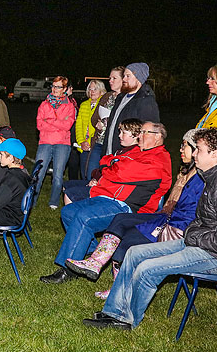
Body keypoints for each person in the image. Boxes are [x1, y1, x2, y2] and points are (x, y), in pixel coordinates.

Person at [83, 127, 217, 331]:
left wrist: (192, 235)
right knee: (134, 253)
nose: (194, 153)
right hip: (198, 243)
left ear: (216, 154)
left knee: (148, 269)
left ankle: (126, 320)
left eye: (199, 149)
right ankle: (114, 311)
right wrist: (193, 234)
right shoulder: (209, 177)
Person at [66, 129, 205, 299]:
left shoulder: (198, 177)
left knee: (127, 239)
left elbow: (189, 213)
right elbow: (114, 166)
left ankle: (117, 289)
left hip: (175, 226)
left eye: (185, 146)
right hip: (164, 216)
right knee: (119, 220)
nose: (181, 150)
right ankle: (96, 262)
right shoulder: (185, 172)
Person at [40, 121, 172, 284]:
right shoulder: (139, 152)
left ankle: (67, 270)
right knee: (68, 212)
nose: (140, 136)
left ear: (158, 136)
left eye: (145, 132)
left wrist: (112, 168)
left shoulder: (159, 159)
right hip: (108, 197)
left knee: (85, 217)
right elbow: (110, 161)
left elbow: (121, 172)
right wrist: (112, 166)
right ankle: (95, 251)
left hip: (128, 207)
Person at [62, 118, 143, 206]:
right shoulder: (121, 151)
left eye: (124, 133)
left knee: (70, 194)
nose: (119, 136)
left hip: (109, 190)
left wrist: (99, 181)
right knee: (67, 185)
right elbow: (104, 166)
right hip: (101, 182)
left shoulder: (134, 154)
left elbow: (115, 174)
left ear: (136, 135)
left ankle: (76, 216)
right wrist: (96, 178)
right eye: (120, 132)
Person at [33, 76, 76, 209]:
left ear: (64, 89)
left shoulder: (70, 106)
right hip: (45, 141)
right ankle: (31, 201)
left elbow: (67, 125)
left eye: (58, 87)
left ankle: (54, 202)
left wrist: (49, 120)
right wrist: (57, 123)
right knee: (38, 173)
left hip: (62, 144)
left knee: (58, 175)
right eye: (53, 86)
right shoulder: (44, 104)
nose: (54, 89)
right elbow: (40, 125)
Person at [101, 62, 160, 157]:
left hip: (128, 156)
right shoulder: (121, 97)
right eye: (124, 76)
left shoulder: (146, 101)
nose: (124, 79)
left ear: (139, 79)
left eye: (128, 76)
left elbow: (149, 133)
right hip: (111, 154)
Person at [88, 67, 124, 176]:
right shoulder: (107, 96)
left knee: (108, 176)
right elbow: (94, 117)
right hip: (99, 142)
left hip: (115, 145)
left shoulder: (126, 99)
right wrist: (97, 123)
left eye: (114, 78)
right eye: (110, 78)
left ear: (123, 80)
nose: (110, 81)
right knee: (91, 174)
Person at [76, 80, 106, 180]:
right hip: (84, 146)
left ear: (101, 91)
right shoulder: (84, 105)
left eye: (95, 89)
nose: (92, 91)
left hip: (97, 146)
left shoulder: (104, 105)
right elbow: (79, 125)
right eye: (90, 89)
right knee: (84, 173)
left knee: (93, 175)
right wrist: (81, 142)